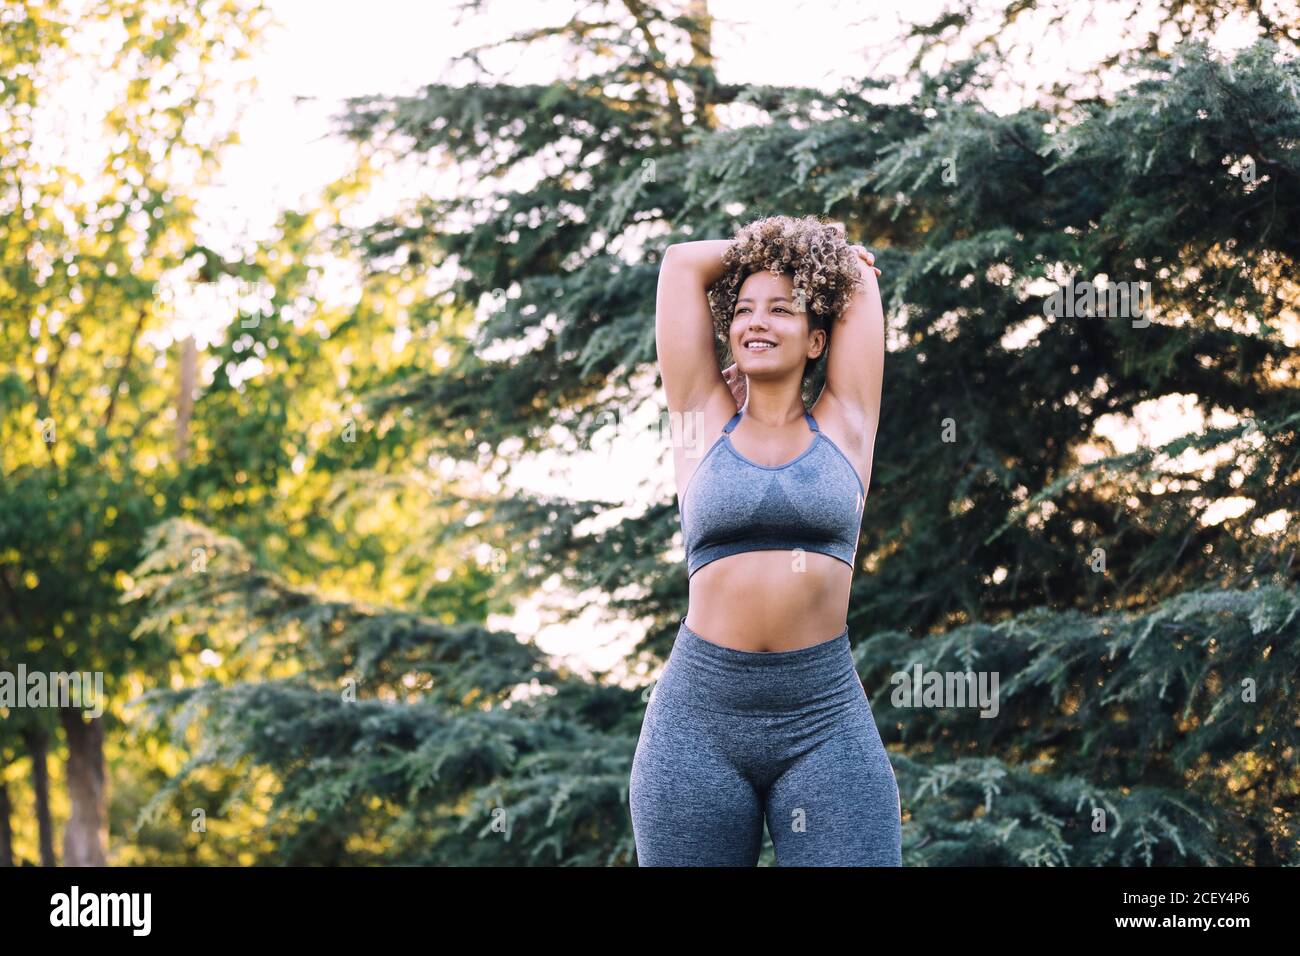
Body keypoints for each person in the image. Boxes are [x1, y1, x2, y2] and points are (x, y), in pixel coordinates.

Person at [629, 214, 901, 866]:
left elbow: (859, 279)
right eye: (745, 309)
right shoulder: (700, 421)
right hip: (698, 723)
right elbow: (681, 264)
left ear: (815, 340)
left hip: (824, 718)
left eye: (782, 309)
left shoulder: (847, 425)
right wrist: (791, 251)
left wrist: (830, 258)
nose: (757, 321)